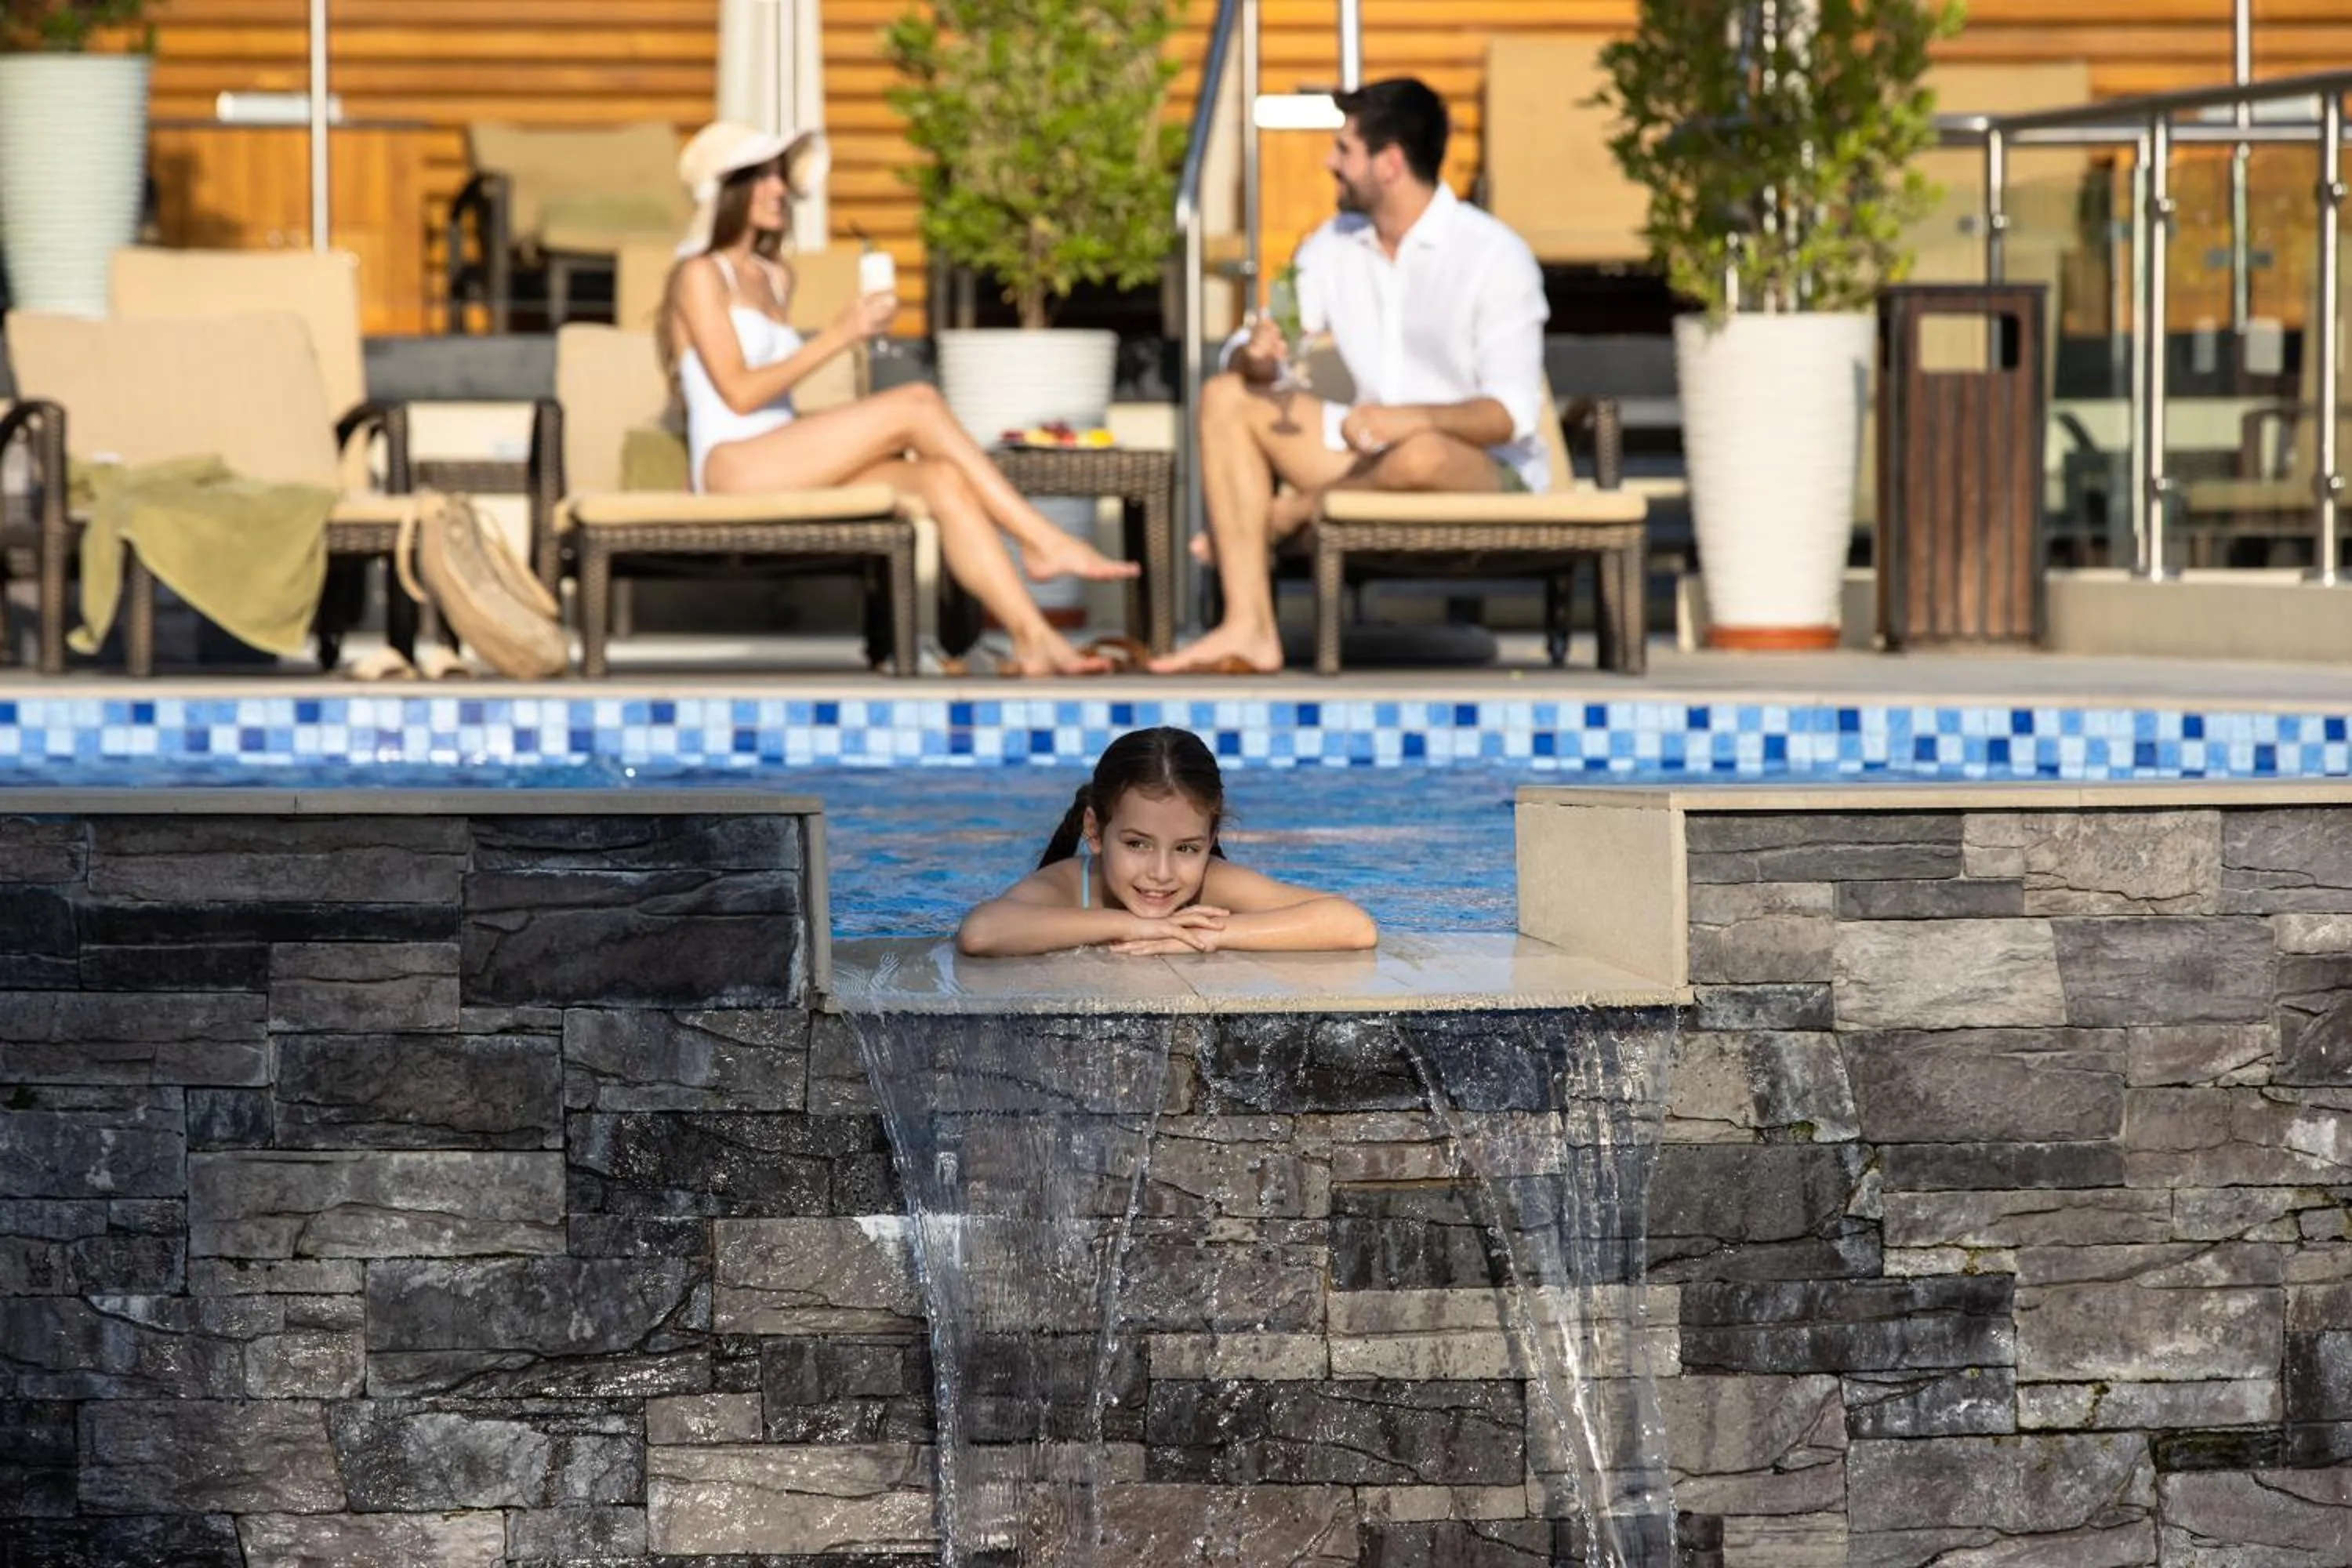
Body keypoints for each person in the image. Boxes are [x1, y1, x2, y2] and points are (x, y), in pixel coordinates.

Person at [660, 120, 1138, 677]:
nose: (779, 188)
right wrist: (840, 336)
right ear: (728, 190)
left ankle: (1033, 638)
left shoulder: (774, 276)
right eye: (762, 176)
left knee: (942, 480)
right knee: (915, 402)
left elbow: (773, 395)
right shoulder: (698, 275)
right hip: (733, 463)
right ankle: (1040, 538)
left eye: (779, 175)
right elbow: (740, 394)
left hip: (782, 452)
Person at [1153, 77, 1551, 675]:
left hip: (1477, 463)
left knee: (1422, 454)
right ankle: (1249, 629)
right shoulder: (1329, 244)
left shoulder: (1495, 255)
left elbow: (1510, 413)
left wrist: (1408, 420)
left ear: (1389, 163)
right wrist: (1255, 356)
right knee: (1225, 395)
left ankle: (1288, 515)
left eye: (1344, 149)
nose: (1328, 162)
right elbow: (1266, 339)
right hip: (1365, 452)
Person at [956, 726, 1378, 956]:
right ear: (1095, 831)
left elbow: (1352, 924)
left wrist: (1210, 934)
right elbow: (982, 931)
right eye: (1137, 844)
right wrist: (1135, 925)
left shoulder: (1212, 885)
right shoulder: (1069, 885)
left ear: (1211, 838)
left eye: (1186, 849)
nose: (1161, 873)